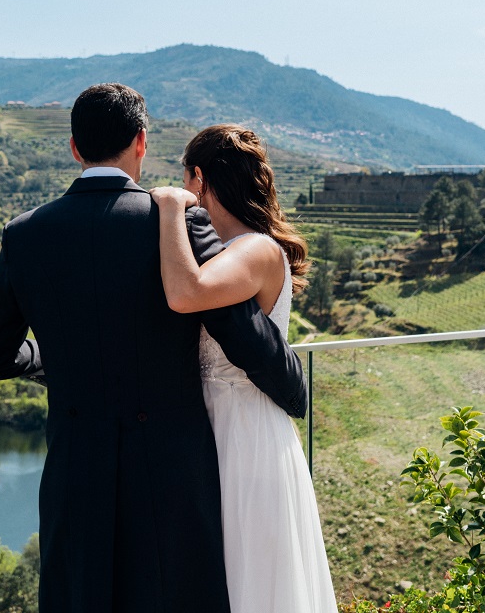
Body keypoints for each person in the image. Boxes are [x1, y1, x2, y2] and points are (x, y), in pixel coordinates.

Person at [0, 84, 307, 613]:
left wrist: (47, 359)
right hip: (172, 470)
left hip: (75, 467)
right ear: (141, 143)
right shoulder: (174, 222)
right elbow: (240, 333)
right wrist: (294, 387)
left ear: (75, 148)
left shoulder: (24, 234)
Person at [150, 124, 337, 613]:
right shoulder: (226, 248)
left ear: (198, 178)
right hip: (208, 424)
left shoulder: (256, 249)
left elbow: (186, 293)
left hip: (246, 432)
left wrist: (170, 207)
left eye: (185, 180)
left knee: (249, 573)